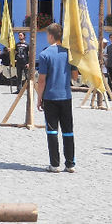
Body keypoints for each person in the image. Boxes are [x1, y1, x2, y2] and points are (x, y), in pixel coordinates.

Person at [36, 23, 76, 173]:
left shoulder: (45, 54)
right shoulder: (69, 53)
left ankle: (55, 164)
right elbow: (74, 76)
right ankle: (70, 164)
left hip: (51, 97)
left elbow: (42, 80)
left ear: (51, 36)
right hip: (66, 96)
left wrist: (39, 97)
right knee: (68, 131)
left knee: (52, 131)